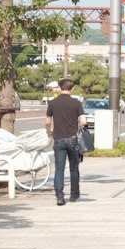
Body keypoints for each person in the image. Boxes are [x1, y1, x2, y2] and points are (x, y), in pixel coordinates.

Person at [46, 78, 85, 206]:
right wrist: (78, 124)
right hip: (72, 139)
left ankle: (59, 196)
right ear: (72, 89)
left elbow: (47, 121)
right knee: (74, 168)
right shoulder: (76, 103)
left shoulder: (52, 103)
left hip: (58, 139)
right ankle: (74, 194)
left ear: (60, 88)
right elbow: (83, 121)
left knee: (59, 169)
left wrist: (49, 131)